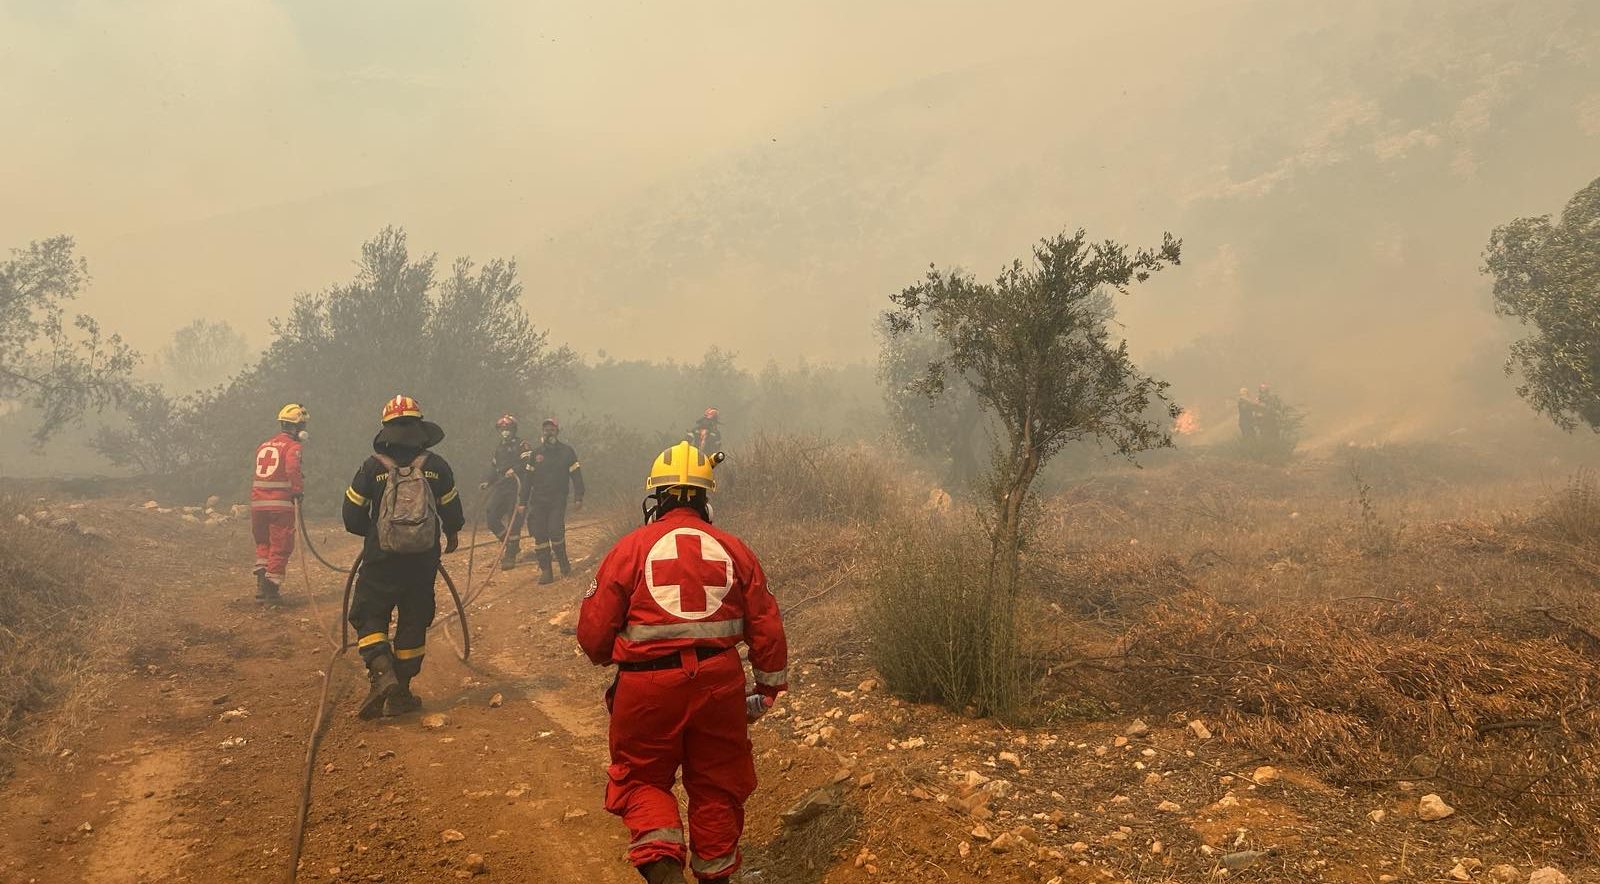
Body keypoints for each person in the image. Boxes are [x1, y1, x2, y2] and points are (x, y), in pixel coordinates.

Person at [577, 441, 788, 884]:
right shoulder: (735, 549)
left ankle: (663, 865)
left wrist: (609, 656)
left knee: (642, 781)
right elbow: (767, 625)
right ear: (704, 499)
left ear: (657, 498)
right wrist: (766, 692)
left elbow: (594, 636)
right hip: (720, 684)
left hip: (646, 689)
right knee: (716, 785)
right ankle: (715, 876)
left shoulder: (629, 549)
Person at [341, 395, 465, 719]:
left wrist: (375, 537)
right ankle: (402, 693)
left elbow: (351, 517)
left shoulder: (371, 467)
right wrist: (451, 534)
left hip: (381, 561)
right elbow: (452, 511)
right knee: (414, 618)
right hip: (422, 562)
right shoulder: (437, 467)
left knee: (369, 614)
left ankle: (383, 673)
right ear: (419, 427)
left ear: (386, 430)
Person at [250, 404, 308, 603]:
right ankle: (271, 590)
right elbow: (292, 469)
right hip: (280, 504)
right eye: (302, 425)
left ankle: (260, 584)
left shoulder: (264, 445)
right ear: (296, 426)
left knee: (263, 542)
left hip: (258, 503)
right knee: (281, 544)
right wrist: (298, 491)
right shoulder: (293, 447)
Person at [518, 417, 584, 584]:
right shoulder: (536, 454)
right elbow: (527, 480)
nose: (549, 433)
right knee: (540, 534)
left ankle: (563, 564)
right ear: (543, 433)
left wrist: (578, 497)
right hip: (538, 501)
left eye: (552, 429)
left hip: (558, 499)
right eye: (546, 430)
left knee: (555, 531)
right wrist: (522, 502)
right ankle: (546, 571)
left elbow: (576, 476)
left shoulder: (567, 452)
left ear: (557, 431)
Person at [479, 414, 531, 570]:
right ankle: (510, 545)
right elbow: (494, 468)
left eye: (507, 429)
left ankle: (510, 556)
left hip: (517, 487)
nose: (505, 432)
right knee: (491, 516)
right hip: (501, 487)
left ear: (513, 430)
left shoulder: (522, 445)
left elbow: (528, 462)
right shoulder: (499, 448)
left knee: (514, 522)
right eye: (502, 429)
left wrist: (514, 470)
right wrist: (487, 481)